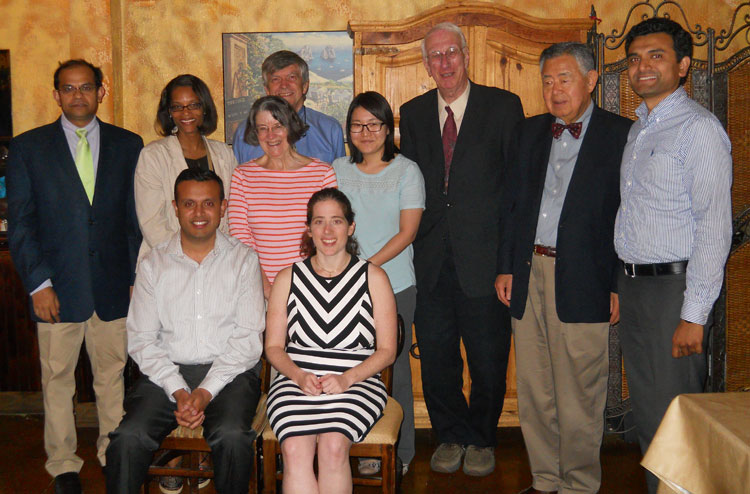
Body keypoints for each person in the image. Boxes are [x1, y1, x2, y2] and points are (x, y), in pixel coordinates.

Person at [496, 42, 632, 494]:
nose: (554, 90)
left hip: (585, 276)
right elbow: (511, 205)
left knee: (580, 392)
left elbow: (628, 215)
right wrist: (505, 267)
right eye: (547, 81)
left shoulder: (621, 134)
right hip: (527, 270)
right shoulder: (528, 131)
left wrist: (616, 284)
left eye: (565, 79)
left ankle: (578, 485)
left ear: (591, 81)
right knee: (535, 389)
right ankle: (545, 479)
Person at [6, 59, 143, 494]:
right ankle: (63, 463)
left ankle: (111, 453)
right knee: (57, 381)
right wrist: (38, 284)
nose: (77, 95)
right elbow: (22, 224)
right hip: (56, 289)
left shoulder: (128, 144)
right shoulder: (29, 148)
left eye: (86, 87)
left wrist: (137, 278)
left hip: (113, 286)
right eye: (68, 88)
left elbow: (132, 221)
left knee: (112, 377)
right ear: (56, 94)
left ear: (101, 91)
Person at [398, 22, 524, 476]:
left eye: (452, 52)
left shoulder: (504, 107)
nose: (444, 62)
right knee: (436, 357)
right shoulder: (411, 114)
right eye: (435, 55)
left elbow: (515, 193)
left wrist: (508, 264)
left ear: (466, 55)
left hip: (486, 262)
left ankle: (482, 437)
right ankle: (449, 433)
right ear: (427, 64)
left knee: (489, 357)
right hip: (429, 262)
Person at [615, 17, 733, 494]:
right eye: (635, 57)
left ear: (683, 65)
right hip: (636, 288)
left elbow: (714, 227)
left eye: (656, 56)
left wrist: (694, 313)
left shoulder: (699, 129)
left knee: (675, 416)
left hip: (674, 293)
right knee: (648, 412)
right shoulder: (640, 128)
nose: (642, 66)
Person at [105, 168, 265, 494]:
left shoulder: (244, 260)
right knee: (127, 438)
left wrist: (205, 392)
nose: (199, 213)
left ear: (223, 207)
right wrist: (179, 390)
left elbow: (248, 338)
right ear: (175, 208)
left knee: (233, 437)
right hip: (165, 373)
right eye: (189, 204)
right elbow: (142, 340)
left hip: (231, 374)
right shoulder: (153, 264)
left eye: (208, 204)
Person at [265, 187, 397, 494]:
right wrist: (297, 375)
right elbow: (273, 347)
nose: (327, 230)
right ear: (308, 228)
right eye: (319, 221)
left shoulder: (374, 277)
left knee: (334, 446)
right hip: (295, 379)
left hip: (357, 381)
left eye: (336, 221)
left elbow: (387, 351)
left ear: (350, 227)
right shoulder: (287, 277)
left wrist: (347, 379)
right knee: (295, 451)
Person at [332, 91, 425, 476]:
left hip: (394, 284)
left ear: (388, 129)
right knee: (349, 367)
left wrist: (364, 268)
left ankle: (400, 452)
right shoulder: (337, 169)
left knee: (393, 368)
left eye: (374, 124)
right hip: (340, 288)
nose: (366, 132)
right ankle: (354, 447)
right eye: (357, 125)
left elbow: (408, 232)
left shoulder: (407, 171)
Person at [227, 95, 337, 298]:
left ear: (291, 127)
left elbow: (329, 234)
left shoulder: (323, 173)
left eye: (277, 126)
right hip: (258, 290)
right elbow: (241, 240)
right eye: (262, 128)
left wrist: (310, 285)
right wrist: (268, 289)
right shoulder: (242, 176)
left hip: (314, 288)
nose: (270, 135)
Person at [134, 74, 237, 264]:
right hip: (165, 262)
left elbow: (232, 214)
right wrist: (188, 259)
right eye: (177, 107)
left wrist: (216, 257)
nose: (186, 113)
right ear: (169, 112)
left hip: (220, 262)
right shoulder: (153, 156)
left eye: (194, 105)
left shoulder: (224, 154)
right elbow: (151, 222)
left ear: (204, 108)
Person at [232, 50, 345, 165]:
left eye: (291, 77)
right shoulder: (244, 132)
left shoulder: (329, 129)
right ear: (267, 90)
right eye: (276, 79)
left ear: (305, 86)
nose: (284, 85)